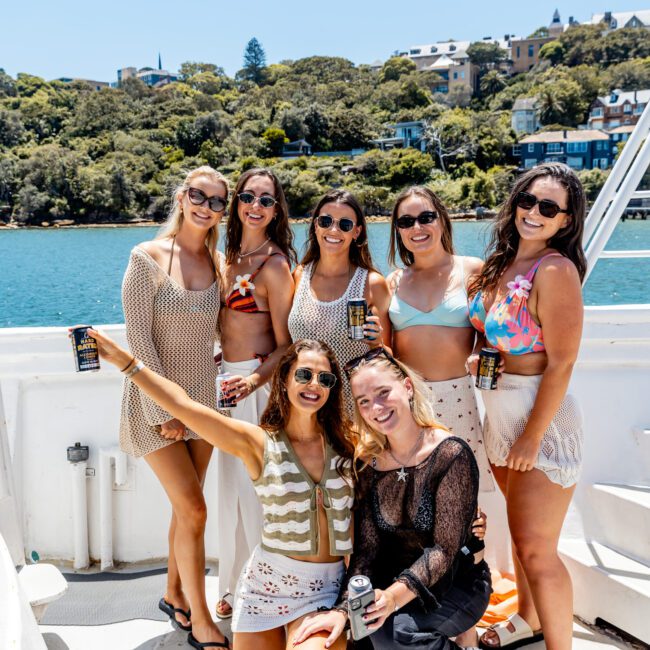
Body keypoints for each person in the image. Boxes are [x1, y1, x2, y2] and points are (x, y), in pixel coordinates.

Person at [86, 332, 354, 650]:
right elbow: (183, 407)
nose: (314, 385)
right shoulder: (259, 443)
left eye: (325, 379)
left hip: (325, 590)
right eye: (304, 375)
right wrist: (126, 363)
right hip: (266, 586)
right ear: (284, 379)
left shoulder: (351, 445)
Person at [292, 347, 491, 649]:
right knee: (365, 631)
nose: (376, 407)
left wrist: (392, 599)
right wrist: (344, 610)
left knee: (394, 634)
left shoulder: (451, 455)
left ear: (407, 387)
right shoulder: (369, 465)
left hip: (454, 581)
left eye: (383, 393)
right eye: (364, 401)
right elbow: (367, 551)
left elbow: (443, 551)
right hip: (392, 579)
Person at [467, 162, 586, 650]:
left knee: (538, 550)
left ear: (565, 221)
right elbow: (490, 333)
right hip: (500, 412)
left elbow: (561, 364)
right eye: (527, 201)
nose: (534, 213)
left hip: (541, 415)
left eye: (549, 208)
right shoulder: (500, 263)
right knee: (518, 535)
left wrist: (533, 437)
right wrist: (481, 354)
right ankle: (526, 619)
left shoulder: (555, 270)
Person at [119, 166, 228, 646]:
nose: (206, 206)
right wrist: (164, 410)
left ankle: (173, 596)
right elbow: (138, 339)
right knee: (195, 508)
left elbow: (224, 334)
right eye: (198, 195)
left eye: (217, 201)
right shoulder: (146, 258)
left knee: (187, 511)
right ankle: (201, 618)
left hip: (202, 402)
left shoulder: (219, 263)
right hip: (155, 408)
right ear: (183, 197)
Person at [216, 168, 296, 619]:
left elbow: (286, 344)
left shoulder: (276, 265)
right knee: (230, 494)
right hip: (223, 383)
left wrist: (252, 380)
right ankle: (231, 581)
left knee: (258, 493)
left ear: (276, 209)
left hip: (255, 388)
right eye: (248, 196)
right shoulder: (226, 257)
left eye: (267, 200)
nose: (256, 206)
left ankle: (263, 584)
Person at [387, 186, 494, 494]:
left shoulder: (472, 268)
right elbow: (384, 348)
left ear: (443, 221)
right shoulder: (393, 281)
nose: (416, 228)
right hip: (409, 402)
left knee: (463, 496)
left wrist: (479, 353)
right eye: (406, 222)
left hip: (458, 396)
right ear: (398, 230)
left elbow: (488, 331)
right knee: (413, 496)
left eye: (426, 217)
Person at [288, 189, 392, 412]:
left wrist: (376, 343)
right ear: (316, 225)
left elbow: (392, 359)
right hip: (303, 407)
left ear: (356, 232)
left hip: (352, 410)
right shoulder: (298, 275)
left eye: (344, 225)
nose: (333, 230)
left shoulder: (372, 284)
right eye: (326, 221)